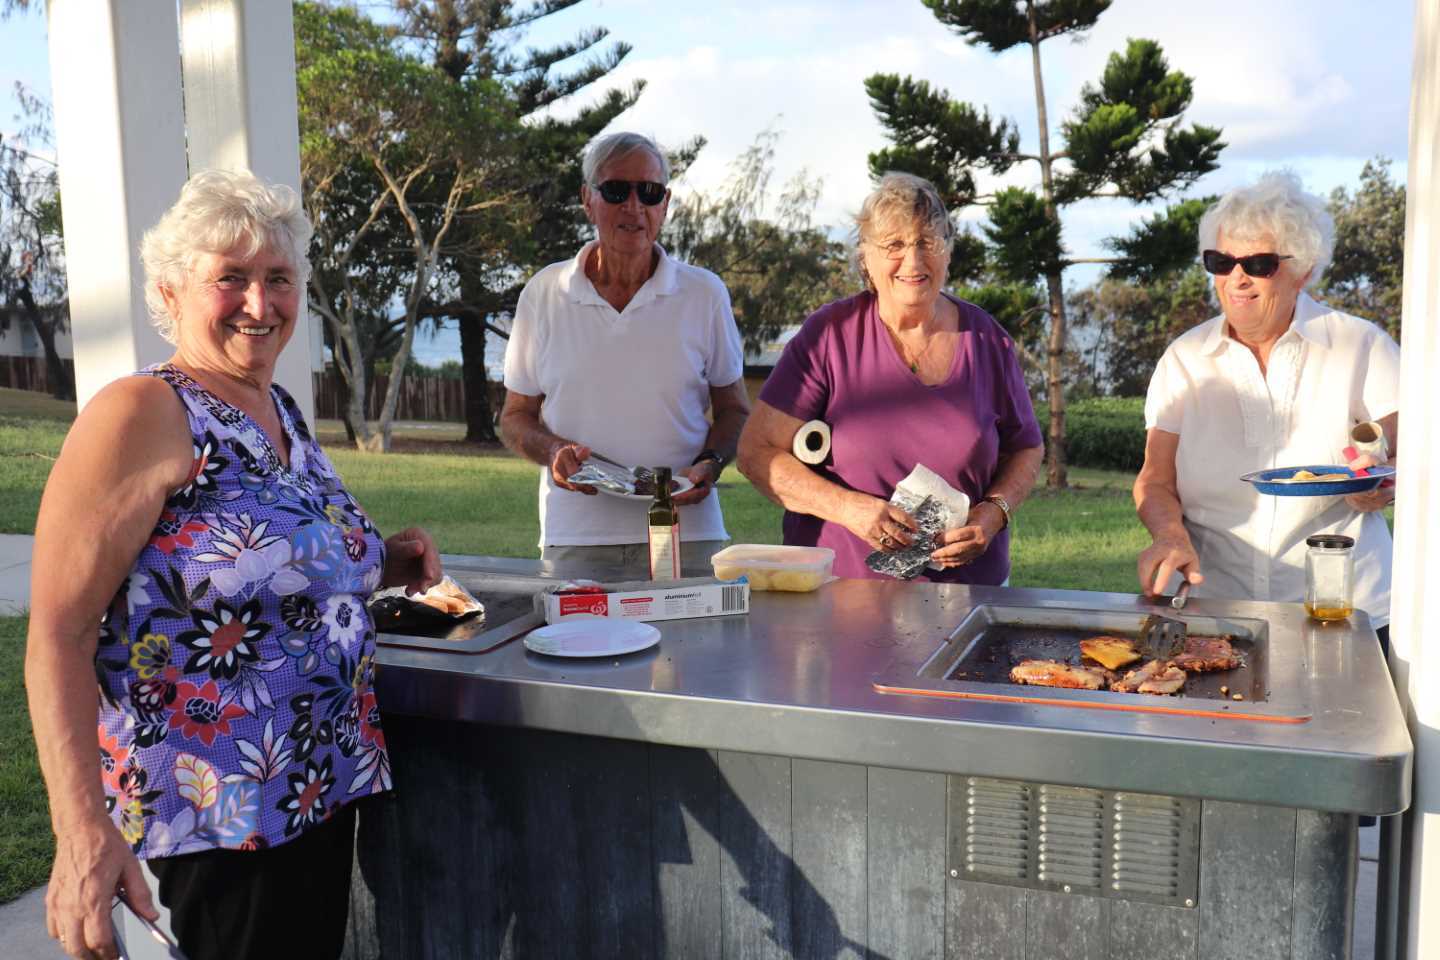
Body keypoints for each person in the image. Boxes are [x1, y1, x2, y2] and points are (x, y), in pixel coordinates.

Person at [24, 170, 441, 960]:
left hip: (315, 793)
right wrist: (80, 829)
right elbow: (58, 633)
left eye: (278, 279)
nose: (260, 303)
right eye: (231, 279)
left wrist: (377, 562)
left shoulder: (276, 408)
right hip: (211, 818)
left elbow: (252, 576)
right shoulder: (143, 412)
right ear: (172, 293)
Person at [736, 172, 1044, 582]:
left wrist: (993, 514)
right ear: (867, 257)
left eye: (927, 242)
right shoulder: (829, 336)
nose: (913, 262)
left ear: (948, 251)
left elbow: (1026, 449)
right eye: (894, 245)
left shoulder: (988, 340)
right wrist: (848, 509)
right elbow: (756, 454)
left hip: (970, 600)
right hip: (842, 599)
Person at [1134, 170, 1399, 646]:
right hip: (1212, 607)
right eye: (1220, 260)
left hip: (1345, 608)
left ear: (1304, 269)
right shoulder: (1184, 358)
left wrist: (1386, 482)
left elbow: (1415, 443)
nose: (1236, 278)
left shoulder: (1361, 345)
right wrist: (1169, 535)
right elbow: (1155, 479)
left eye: (1258, 263)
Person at [499, 131, 750, 575]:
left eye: (649, 192)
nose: (634, 206)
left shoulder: (704, 294)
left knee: (698, 648)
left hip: (687, 532)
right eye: (616, 190)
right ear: (587, 199)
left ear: (665, 204)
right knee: (578, 647)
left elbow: (733, 410)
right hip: (578, 537)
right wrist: (554, 450)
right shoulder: (544, 294)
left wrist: (709, 463)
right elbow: (515, 416)